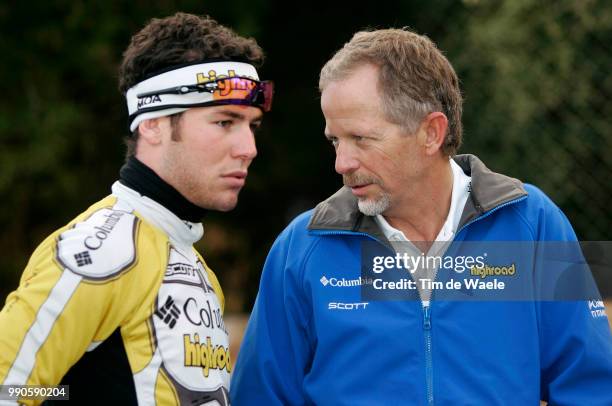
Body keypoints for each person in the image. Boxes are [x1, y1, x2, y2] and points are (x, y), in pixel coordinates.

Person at [230, 28, 612, 405]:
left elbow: (590, 387)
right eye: (335, 140)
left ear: (431, 133)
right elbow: (260, 397)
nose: (341, 162)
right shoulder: (303, 247)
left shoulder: (533, 223)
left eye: (361, 138)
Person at [0, 12, 272, 405]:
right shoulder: (103, 250)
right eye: (225, 121)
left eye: (253, 126)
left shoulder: (192, 262)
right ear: (153, 125)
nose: (248, 148)